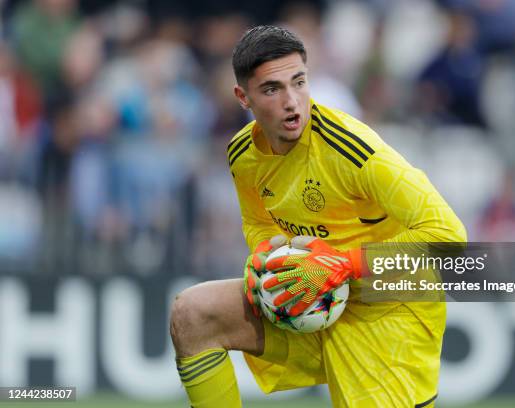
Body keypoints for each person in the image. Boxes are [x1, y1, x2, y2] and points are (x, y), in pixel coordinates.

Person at [170, 25, 466, 408]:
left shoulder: (353, 151)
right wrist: (265, 257)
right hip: (310, 292)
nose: (292, 101)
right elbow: (259, 221)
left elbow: (449, 238)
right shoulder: (243, 154)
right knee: (194, 314)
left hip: (386, 307)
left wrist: (342, 265)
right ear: (243, 97)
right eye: (272, 89)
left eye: (299, 82)